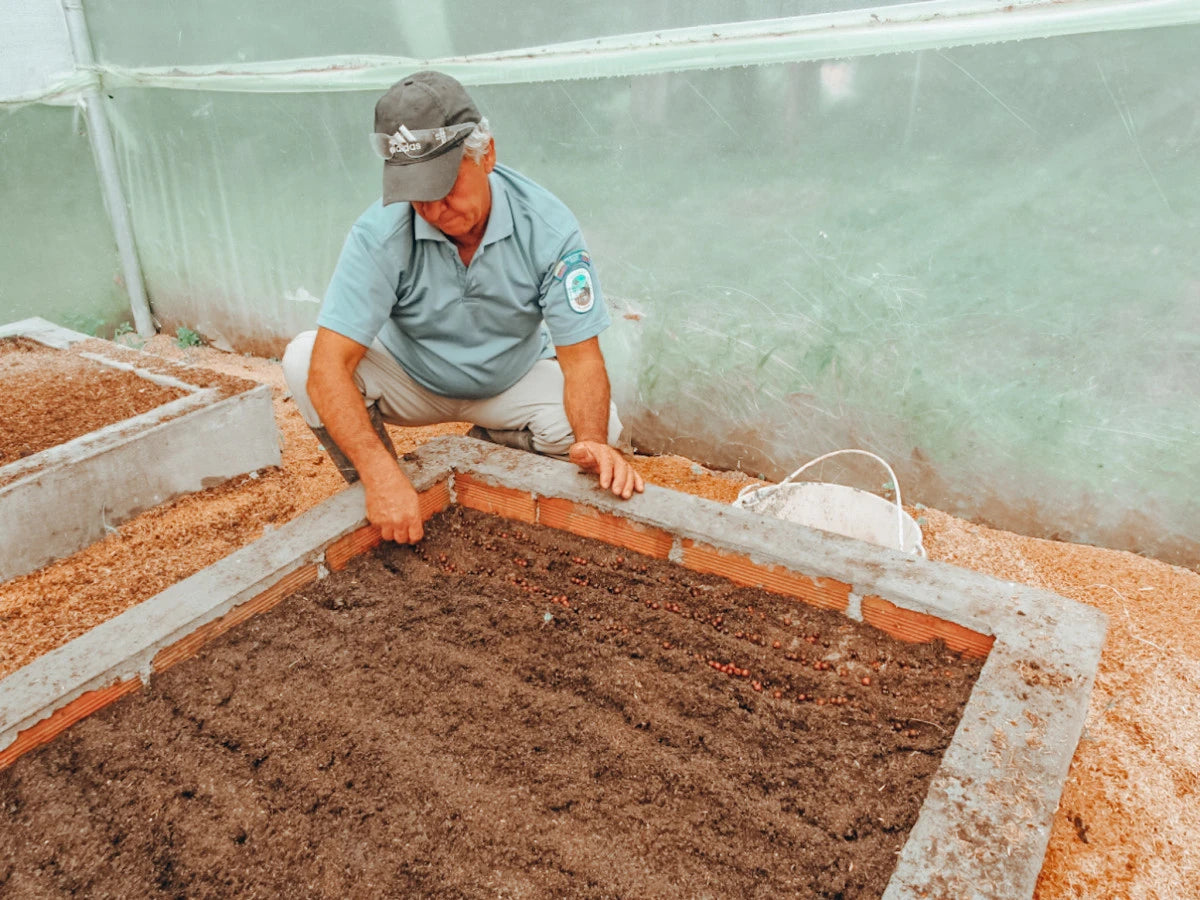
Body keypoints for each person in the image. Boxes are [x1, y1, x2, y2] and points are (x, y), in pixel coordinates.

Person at [282, 71, 644, 545]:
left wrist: (591, 440)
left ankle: (488, 445)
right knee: (304, 359)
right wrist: (380, 474)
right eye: (417, 193)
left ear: (486, 154)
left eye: (444, 186)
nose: (433, 209)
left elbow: (582, 361)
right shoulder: (379, 234)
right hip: (412, 376)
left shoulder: (549, 228)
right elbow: (329, 367)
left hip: (508, 378)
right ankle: (380, 490)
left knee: (598, 430)